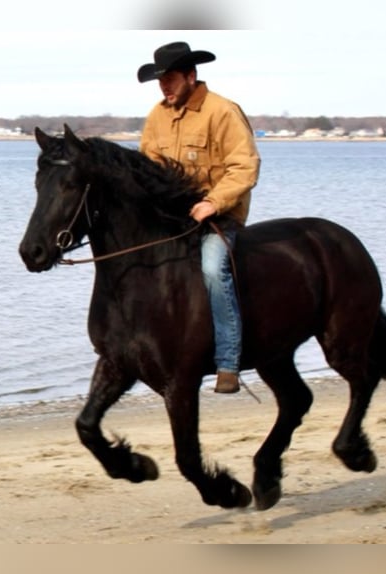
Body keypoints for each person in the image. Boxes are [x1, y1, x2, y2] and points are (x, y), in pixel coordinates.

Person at [137, 41, 261, 394]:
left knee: (212, 269)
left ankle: (227, 362)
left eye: (170, 79)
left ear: (191, 76)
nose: (164, 87)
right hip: (173, 219)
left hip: (219, 217)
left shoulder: (222, 112)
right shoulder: (157, 116)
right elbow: (149, 170)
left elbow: (245, 167)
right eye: (160, 81)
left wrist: (212, 202)